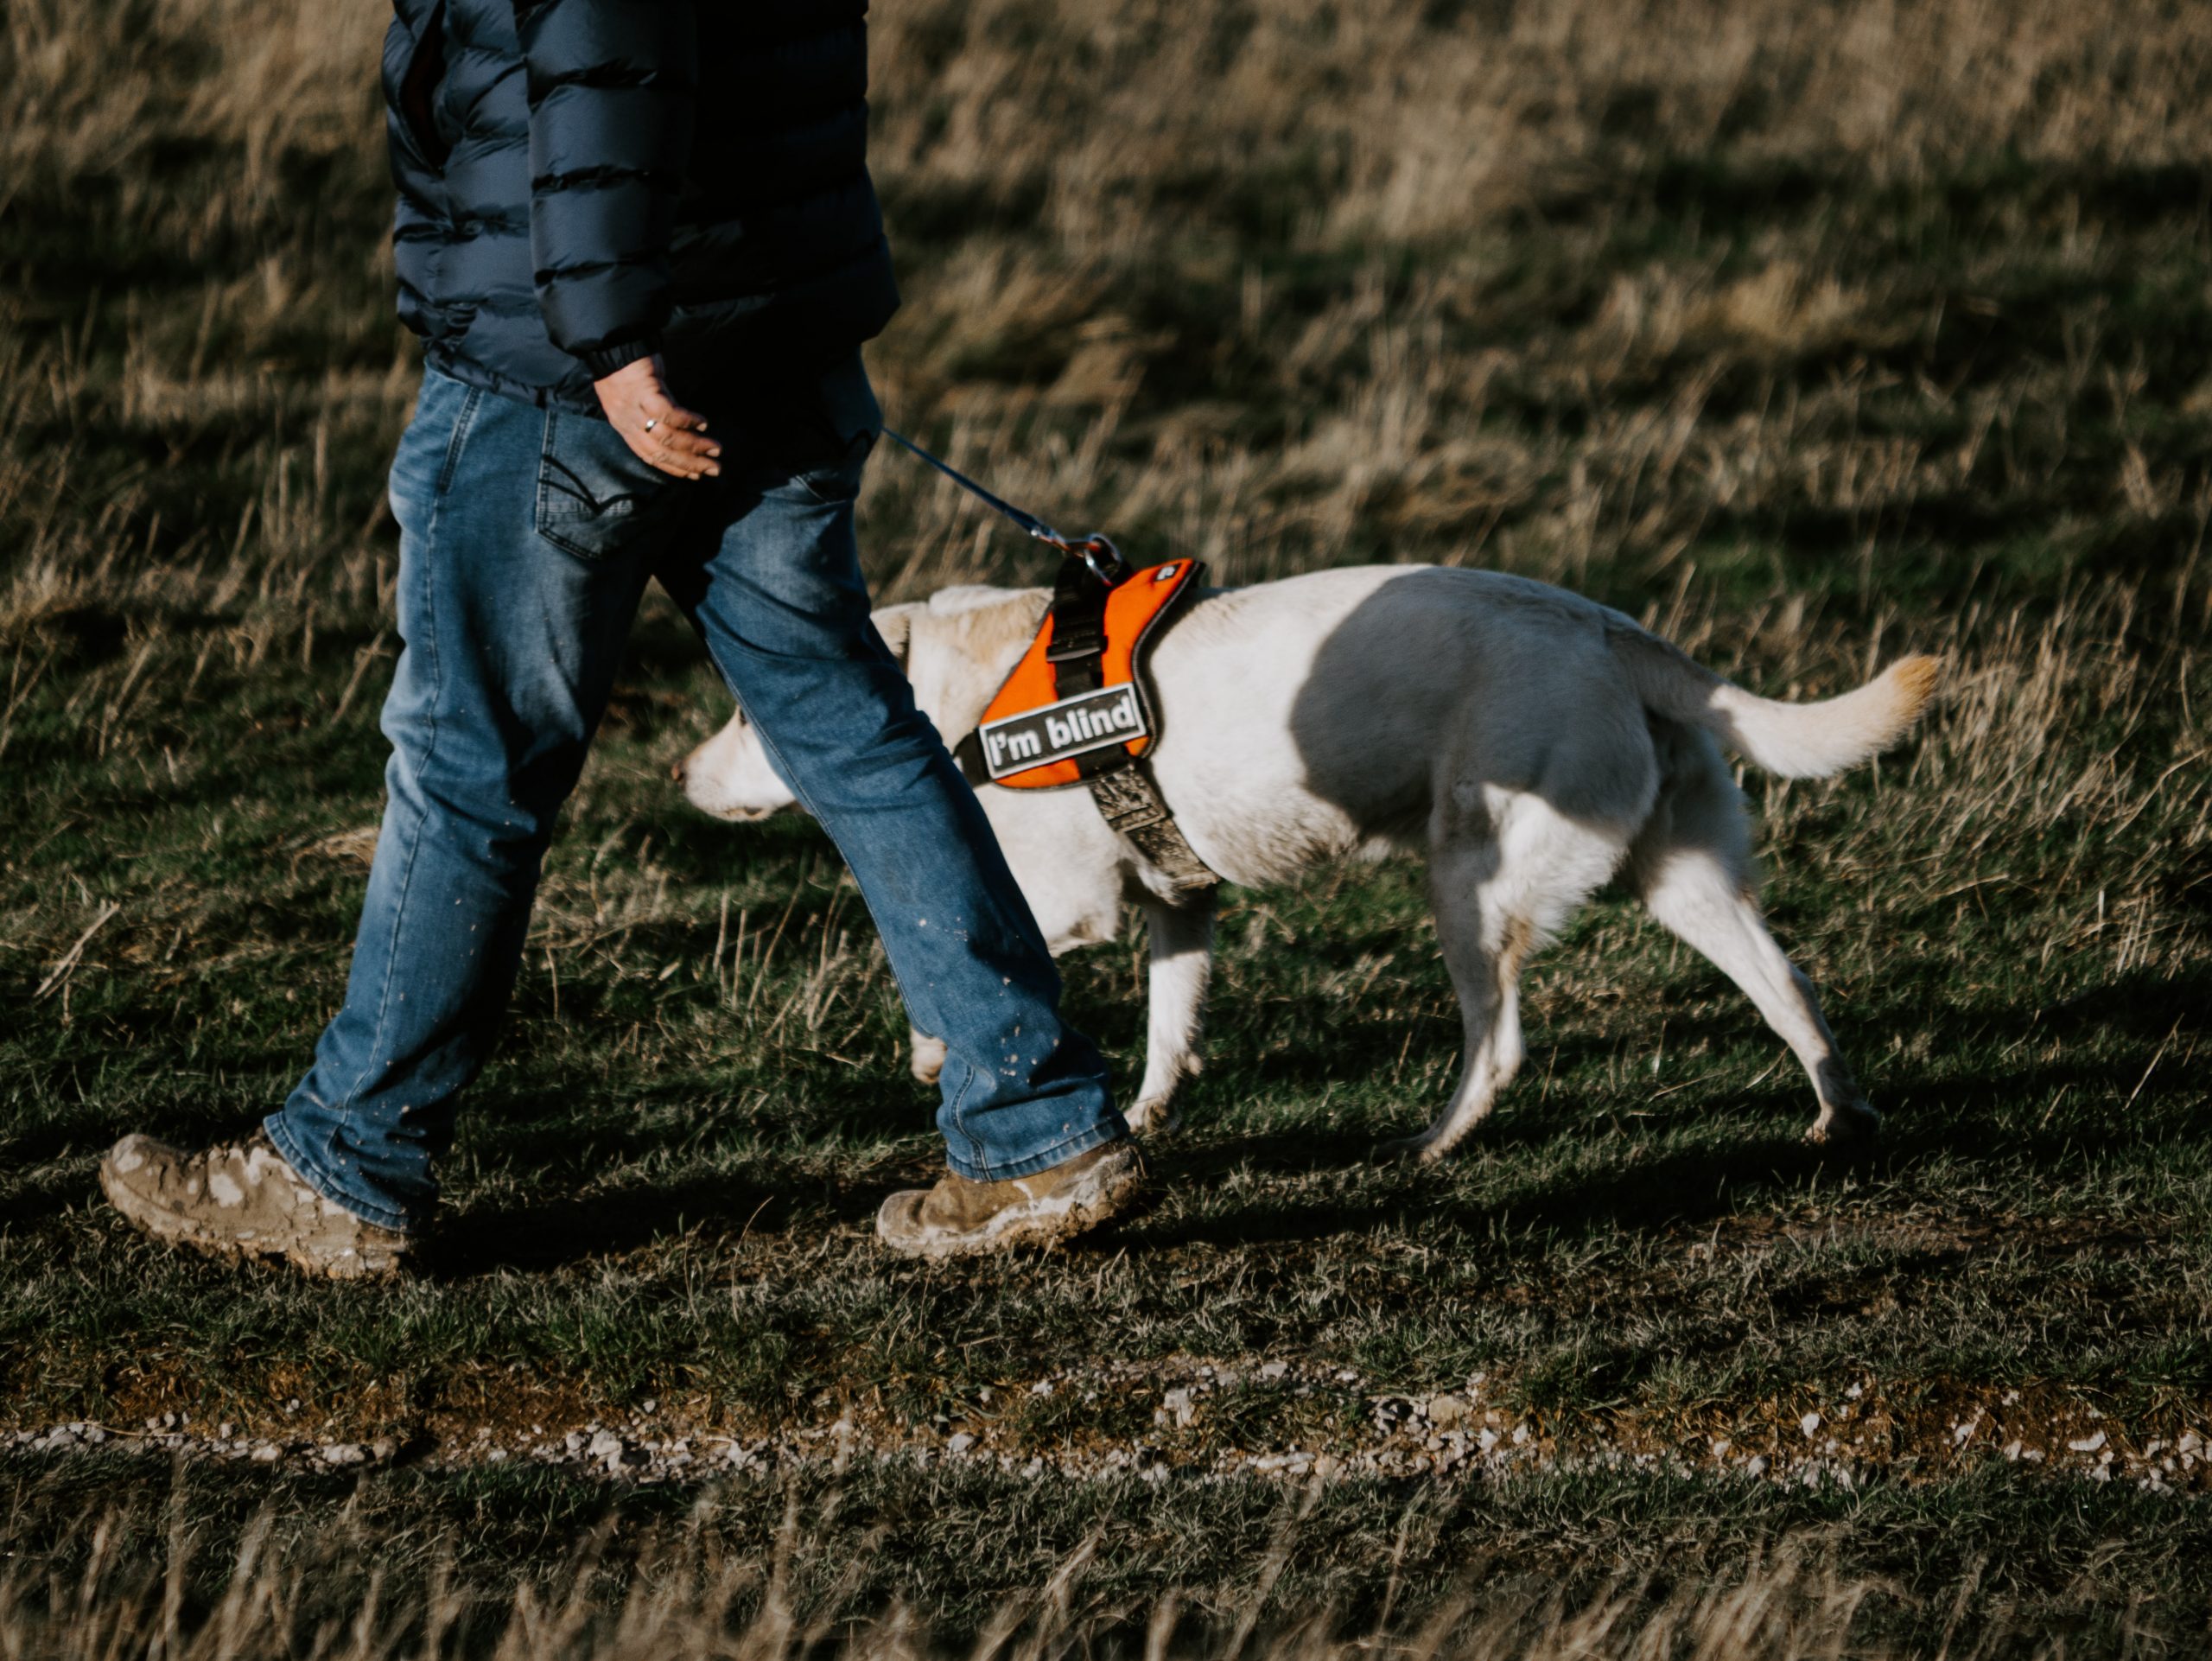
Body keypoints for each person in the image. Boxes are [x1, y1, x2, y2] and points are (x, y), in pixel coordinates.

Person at [97, 0, 1141, 1278]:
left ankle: (346, 1164)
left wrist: (613, 340)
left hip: (578, 375)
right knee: (853, 728)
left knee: (471, 766)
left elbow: (608, 47)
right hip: (773, 339)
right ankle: (1037, 1123)